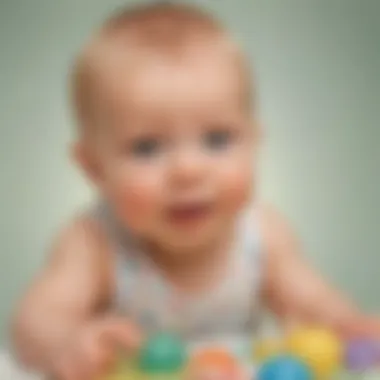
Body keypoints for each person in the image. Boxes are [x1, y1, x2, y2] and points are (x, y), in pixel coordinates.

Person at [11, 2, 380, 379]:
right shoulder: (94, 243)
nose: (189, 171)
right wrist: (67, 345)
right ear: (94, 168)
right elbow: (36, 322)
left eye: (217, 140)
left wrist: (348, 323)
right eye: (147, 148)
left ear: (255, 141)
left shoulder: (262, 234)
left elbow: (311, 302)